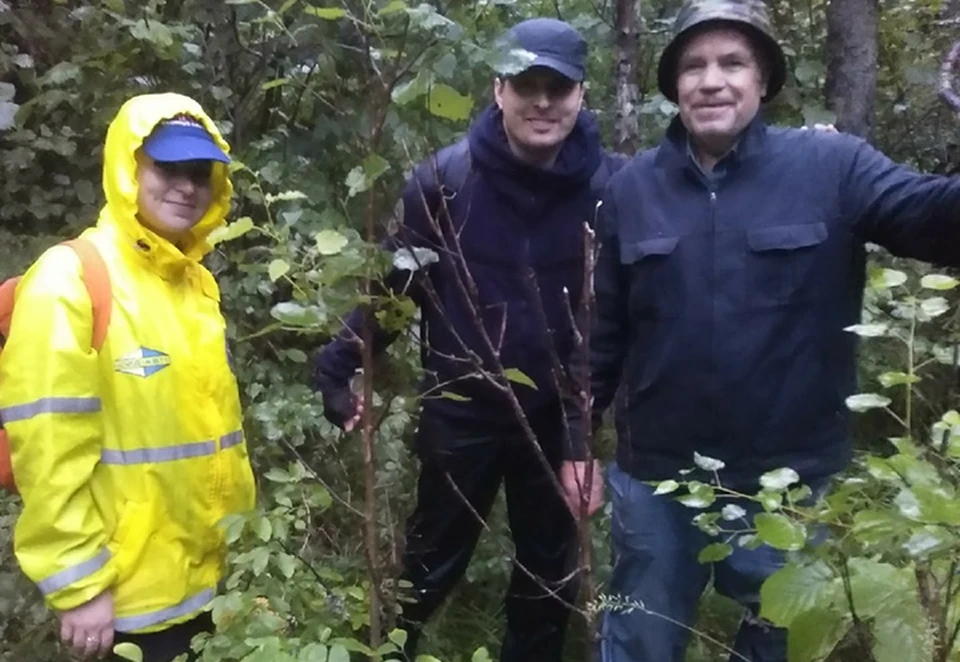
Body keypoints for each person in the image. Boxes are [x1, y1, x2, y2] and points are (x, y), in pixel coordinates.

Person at [591, 1, 960, 661]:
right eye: (694, 66)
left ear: (764, 80)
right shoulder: (631, 190)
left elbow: (937, 223)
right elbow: (601, 335)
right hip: (656, 480)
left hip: (787, 484)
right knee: (641, 641)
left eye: (733, 63)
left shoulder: (832, 167)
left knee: (779, 644)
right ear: (673, 84)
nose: (711, 80)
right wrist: (573, 440)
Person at [313, 18, 621, 662]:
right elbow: (395, 290)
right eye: (527, 84)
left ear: (581, 95)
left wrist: (577, 440)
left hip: (559, 424)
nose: (542, 101)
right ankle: (389, 651)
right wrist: (339, 363)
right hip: (461, 410)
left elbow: (617, 317)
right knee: (428, 565)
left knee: (547, 580)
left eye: (557, 87)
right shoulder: (444, 181)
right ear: (498, 89)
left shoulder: (612, 189)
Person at [0, 93, 256, 661]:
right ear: (128, 166)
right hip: (124, 600)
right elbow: (46, 449)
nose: (186, 186)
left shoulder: (194, 286)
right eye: (167, 167)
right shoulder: (71, 280)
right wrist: (77, 583)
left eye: (199, 172)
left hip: (213, 587)